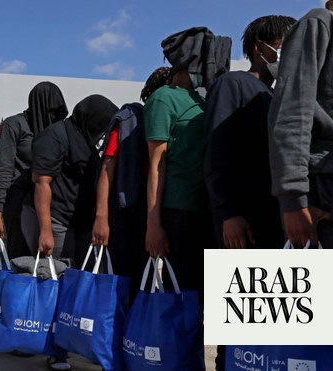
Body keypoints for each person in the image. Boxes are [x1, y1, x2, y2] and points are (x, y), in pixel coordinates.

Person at [145, 27, 228, 302]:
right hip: (178, 211)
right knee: (181, 293)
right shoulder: (162, 99)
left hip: (207, 208)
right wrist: (154, 224)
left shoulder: (205, 99)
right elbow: (157, 165)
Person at [205, 15, 296, 250]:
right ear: (259, 47)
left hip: (274, 218)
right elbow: (217, 151)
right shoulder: (232, 83)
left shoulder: (275, 95)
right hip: (242, 222)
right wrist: (229, 214)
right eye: (284, 46)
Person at [92, 67, 170, 300]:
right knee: (123, 281)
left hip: (155, 213)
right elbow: (108, 167)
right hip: (126, 215)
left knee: (146, 283)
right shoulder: (129, 120)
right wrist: (101, 217)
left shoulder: (171, 122)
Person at [268, 3, 333, 248]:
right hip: (321, 191)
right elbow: (292, 110)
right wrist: (294, 200)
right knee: (323, 285)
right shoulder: (320, 23)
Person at [30, 95, 118, 263]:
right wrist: (46, 230)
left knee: (77, 282)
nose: (102, 130)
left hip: (81, 224)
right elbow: (41, 182)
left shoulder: (87, 141)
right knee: (56, 278)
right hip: (57, 223)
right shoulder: (55, 136)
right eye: (100, 124)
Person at [0, 82, 68, 258]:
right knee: (22, 261)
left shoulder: (57, 131)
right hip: (19, 204)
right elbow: (3, 168)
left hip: (51, 204)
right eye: (51, 111)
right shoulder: (15, 125)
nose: (54, 117)